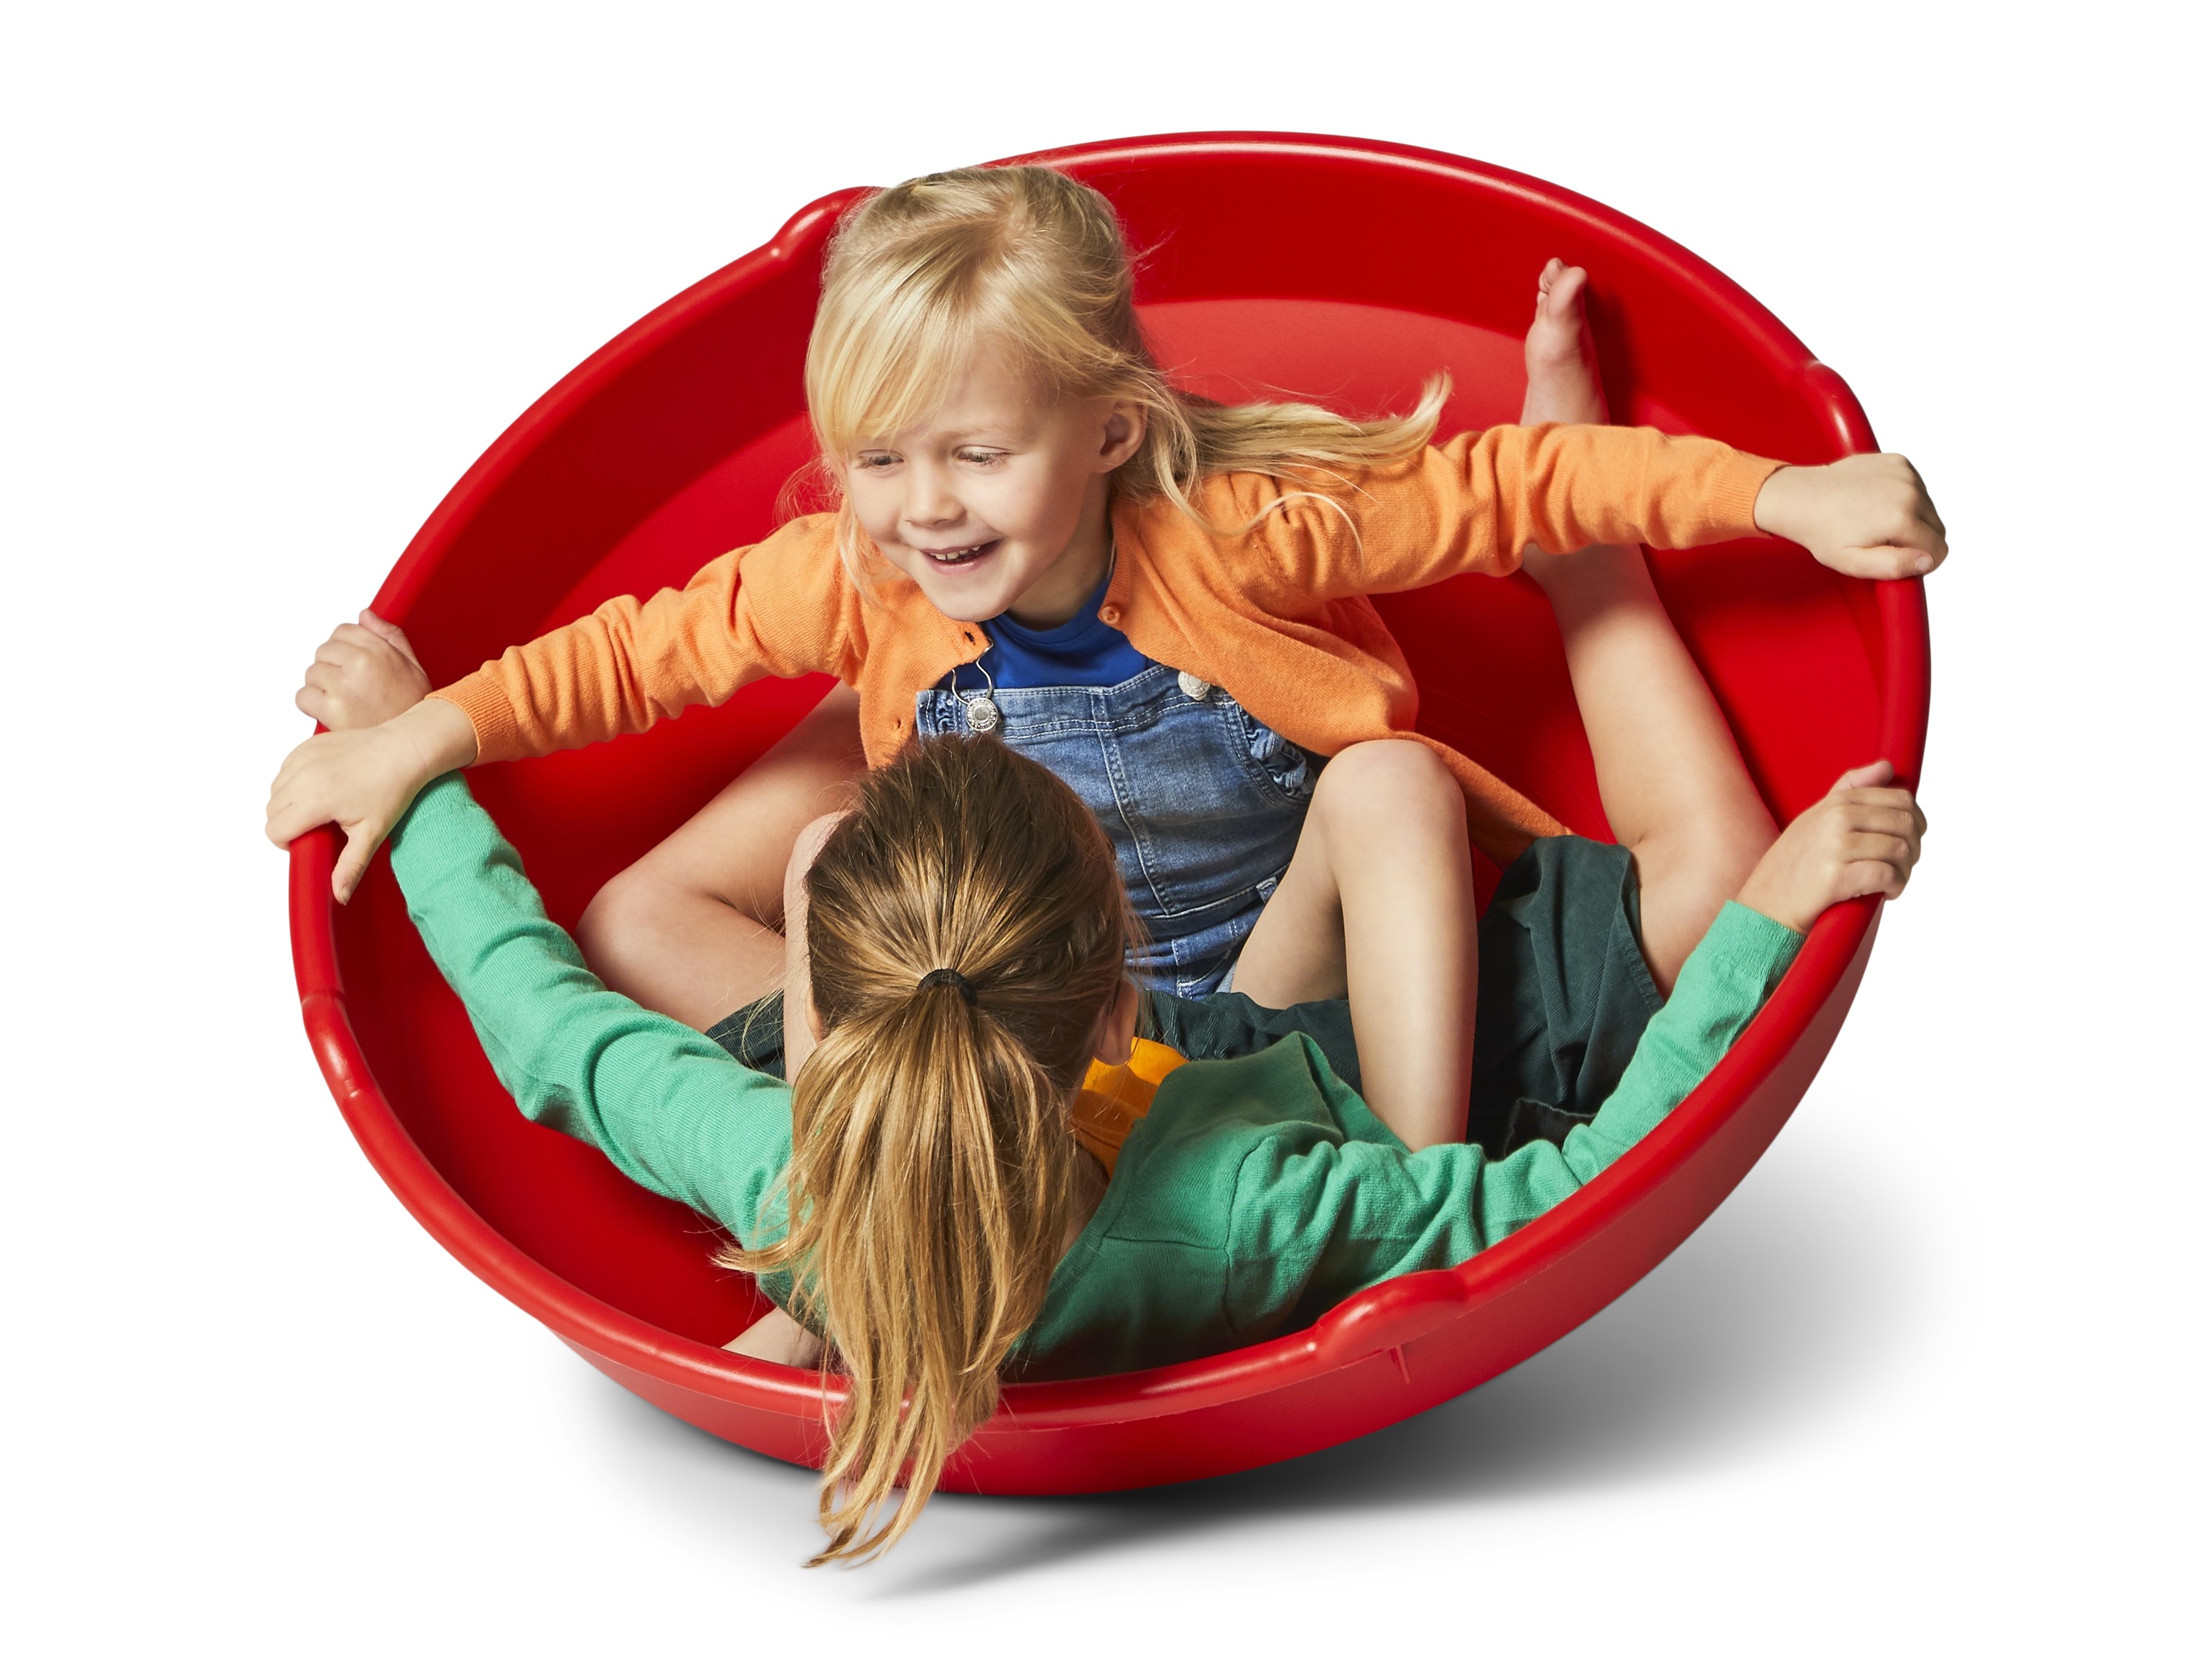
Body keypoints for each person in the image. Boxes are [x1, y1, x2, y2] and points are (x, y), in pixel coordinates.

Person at [268, 164, 1945, 1153]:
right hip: (1058, 1048)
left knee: (1653, 860)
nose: (924, 507)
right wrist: (420, 741)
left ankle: (1410, 1181)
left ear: (1110, 434)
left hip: (1327, 991)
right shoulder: (861, 572)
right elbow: (635, 657)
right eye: (878, 459)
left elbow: (1493, 487)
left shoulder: (1233, 530)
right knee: (668, 903)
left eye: (976, 457)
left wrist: (1779, 495)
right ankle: (882, 1181)